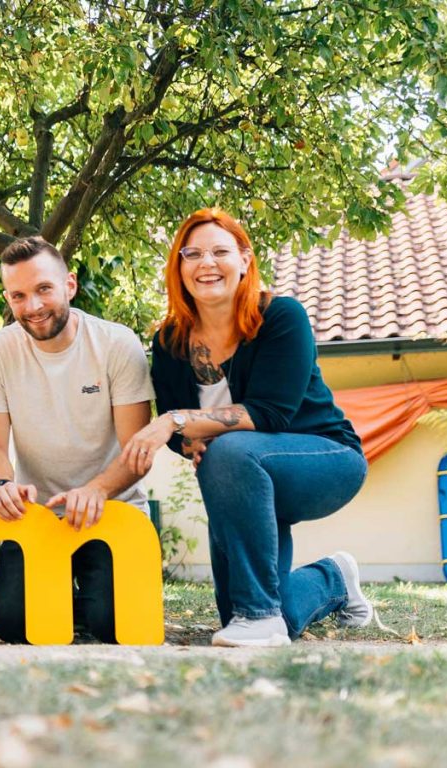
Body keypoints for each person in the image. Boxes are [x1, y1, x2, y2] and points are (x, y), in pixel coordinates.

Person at [124, 208, 371, 648]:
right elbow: (184, 437)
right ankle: (332, 580)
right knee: (237, 611)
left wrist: (180, 425)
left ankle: (260, 615)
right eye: (193, 253)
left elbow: (269, 413)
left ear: (244, 259)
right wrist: (188, 441)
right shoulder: (168, 343)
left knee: (232, 449)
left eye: (220, 251)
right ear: (179, 267)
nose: (207, 263)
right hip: (238, 473)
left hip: (325, 458)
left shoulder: (281, 317)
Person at [0, 236, 154, 644]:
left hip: (112, 509)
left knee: (114, 626)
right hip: (37, 515)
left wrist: (96, 490)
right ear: (8, 298)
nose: (33, 307)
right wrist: (1, 486)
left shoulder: (117, 344)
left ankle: (94, 601)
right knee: (13, 624)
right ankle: (75, 601)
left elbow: (137, 450)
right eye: (18, 296)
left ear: (69, 285)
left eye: (43, 289)